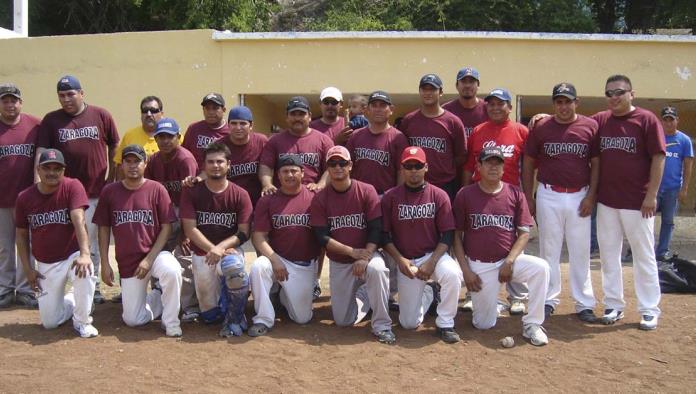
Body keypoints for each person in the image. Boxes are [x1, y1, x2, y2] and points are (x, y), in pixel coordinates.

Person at [453, 146, 550, 346]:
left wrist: (510, 260)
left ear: (504, 168)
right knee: (483, 324)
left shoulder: (515, 193)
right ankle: (493, 304)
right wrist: (466, 270)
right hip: (480, 265)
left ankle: (532, 324)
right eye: (488, 162)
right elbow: (456, 235)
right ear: (478, 166)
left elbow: (524, 233)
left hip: (508, 261)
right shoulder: (465, 194)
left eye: (498, 163)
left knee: (541, 268)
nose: (493, 167)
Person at [37, 75, 120, 305]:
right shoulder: (52, 120)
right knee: (66, 242)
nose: (66, 99)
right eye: (62, 95)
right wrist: (39, 184)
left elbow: (115, 145)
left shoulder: (101, 115)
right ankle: (63, 289)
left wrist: (111, 178)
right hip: (61, 195)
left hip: (94, 191)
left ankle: (91, 290)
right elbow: (42, 151)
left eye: (71, 94)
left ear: (82, 93)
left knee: (90, 243)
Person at [522, 83, 599, 322]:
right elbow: (528, 163)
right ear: (553, 104)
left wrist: (591, 196)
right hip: (548, 193)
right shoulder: (542, 126)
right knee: (549, 250)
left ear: (577, 102)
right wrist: (528, 196)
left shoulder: (590, 126)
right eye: (559, 101)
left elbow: (596, 163)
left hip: (579, 195)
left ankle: (584, 302)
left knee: (580, 250)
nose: (563, 106)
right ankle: (548, 299)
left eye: (568, 101)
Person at [594, 74, 665, 330]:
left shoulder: (646, 119)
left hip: (638, 202)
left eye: (619, 92)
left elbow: (658, 158)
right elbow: (575, 124)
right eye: (609, 93)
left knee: (644, 256)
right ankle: (614, 304)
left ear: (631, 93)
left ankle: (648, 309)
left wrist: (651, 195)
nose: (614, 97)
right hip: (607, 202)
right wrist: (543, 118)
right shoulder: (602, 120)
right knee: (608, 256)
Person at [94, 144, 183, 337]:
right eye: (128, 161)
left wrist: (150, 259)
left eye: (137, 161)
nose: (133, 166)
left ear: (145, 163)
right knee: (133, 320)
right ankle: (158, 297)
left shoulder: (156, 189)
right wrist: (104, 263)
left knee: (172, 270)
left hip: (156, 255)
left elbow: (167, 227)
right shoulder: (110, 192)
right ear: (122, 165)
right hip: (129, 262)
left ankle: (171, 322)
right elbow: (103, 227)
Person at [310, 146, 395, 344]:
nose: (338, 167)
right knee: (343, 321)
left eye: (342, 163)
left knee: (378, 269)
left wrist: (365, 256)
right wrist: (352, 252)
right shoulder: (321, 198)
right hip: (341, 261)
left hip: (368, 254)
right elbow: (321, 236)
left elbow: (376, 228)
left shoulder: (366, 190)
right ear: (327, 168)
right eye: (333, 163)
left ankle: (382, 324)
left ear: (350, 166)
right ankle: (368, 293)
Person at [381, 146, 463, 343]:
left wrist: (432, 262)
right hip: (406, 260)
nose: (413, 170)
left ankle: (445, 323)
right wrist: (399, 260)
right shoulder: (391, 197)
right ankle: (429, 292)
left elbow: (448, 233)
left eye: (417, 166)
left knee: (453, 274)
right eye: (408, 166)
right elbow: (383, 234)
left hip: (432, 254)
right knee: (408, 323)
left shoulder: (438, 195)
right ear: (402, 169)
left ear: (426, 167)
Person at [15, 149, 98, 337]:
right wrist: (28, 269)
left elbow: (79, 220)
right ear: (38, 169)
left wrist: (85, 254)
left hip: (72, 254)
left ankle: (82, 321)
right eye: (47, 168)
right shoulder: (25, 198)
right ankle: (72, 301)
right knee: (50, 323)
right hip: (46, 262)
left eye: (57, 168)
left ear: (64, 170)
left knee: (85, 270)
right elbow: (21, 235)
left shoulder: (72, 186)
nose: (52, 172)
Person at [463, 87, 530, 315]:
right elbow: (469, 166)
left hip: (510, 196)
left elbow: (528, 166)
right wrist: (465, 192)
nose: (495, 108)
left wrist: (527, 197)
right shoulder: (478, 131)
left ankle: (517, 296)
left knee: (512, 243)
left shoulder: (521, 131)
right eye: (490, 104)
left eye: (500, 103)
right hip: (479, 194)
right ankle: (473, 293)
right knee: (476, 241)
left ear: (510, 107)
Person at [259, 96, 334, 298]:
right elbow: (266, 165)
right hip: (283, 196)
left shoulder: (322, 139)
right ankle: (275, 282)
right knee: (280, 234)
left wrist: (320, 184)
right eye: (293, 114)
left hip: (314, 197)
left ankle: (315, 280)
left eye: (301, 114)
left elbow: (331, 167)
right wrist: (267, 184)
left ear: (309, 116)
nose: (297, 118)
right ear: (287, 117)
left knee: (316, 239)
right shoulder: (276, 141)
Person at [180, 143, 253, 337]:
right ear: (203, 166)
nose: (216, 165)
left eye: (220, 161)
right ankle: (220, 308)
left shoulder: (240, 194)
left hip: (229, 251)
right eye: (210, 162)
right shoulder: (192, 191)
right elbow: (190, 228)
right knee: (210, 316)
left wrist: (220, 248)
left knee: (233, 268)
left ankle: (236, 316)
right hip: (202, 254)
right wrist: (213, 249)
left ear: (229, 164)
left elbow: (244, 232)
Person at [248, 156, 321, 337]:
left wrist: (316, 274)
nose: (290, 175)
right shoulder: (268, 199)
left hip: (303, 263)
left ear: (303, 173)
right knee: (259, 267)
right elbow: (258, 236)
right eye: (285, 171)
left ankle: (282, 295)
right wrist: (275, 260)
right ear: (277, 175)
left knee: (302, 318)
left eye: (294, 170)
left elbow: (322, 239)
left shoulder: (314, 197)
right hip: (277, 260)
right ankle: (263, 319)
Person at [144, 118, 200, 322]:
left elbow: (189, 197)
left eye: (170, 136)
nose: (165, 141)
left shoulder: (185, 159)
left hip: (183, 210)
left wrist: (185, 233)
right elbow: (148, 191)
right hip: (162, 212)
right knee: (159, 256)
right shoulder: (154, 160)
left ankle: (189, 306)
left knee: (184, 257)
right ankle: (161, 303)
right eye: (161, 137)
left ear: (179, 137)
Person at [0, 83, 40, 308]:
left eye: (13, 100)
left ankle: (26, 288)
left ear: (20, 103)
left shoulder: (34, 125)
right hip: (1, 199)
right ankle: (5, 289)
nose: (9, 104)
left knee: (27, 244)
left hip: (27, 198)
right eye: (5, 100)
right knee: (4, 246)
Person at [399, 74, 467, 200]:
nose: (428, 93)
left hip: (445, 184)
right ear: (419, 91)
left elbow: (461, 156)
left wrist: (444, 166)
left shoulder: (453, 121)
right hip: (415, 184)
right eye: (425, 89)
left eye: (432, 89)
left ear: (440, 92)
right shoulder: (409, 120)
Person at [345, 91, 408, 195]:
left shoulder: (398, 138)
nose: (378, 109)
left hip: (385, 196)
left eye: (383, 105)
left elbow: (401, 172)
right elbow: (347, 168)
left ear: (391, 110)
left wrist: (398, 197)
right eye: (374, 105)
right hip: (358, 195)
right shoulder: (356, 136)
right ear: (368, 110)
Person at [655, 106, 693, 260]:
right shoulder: (655, 137)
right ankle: (638, 250)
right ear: (661, 121)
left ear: (677, 120)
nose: (668, 123)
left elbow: (688, 166)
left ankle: (662, 252)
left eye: (671, 119)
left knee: (668, 221)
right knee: (644, 221)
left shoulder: (684, 140)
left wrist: (684, 189)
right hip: (654, 188)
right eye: (665, 120)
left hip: (672, 189)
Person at [114, 96, 181, 177]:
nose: (149, 114)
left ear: (162, 114)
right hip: (137, 187)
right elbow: (120, 166)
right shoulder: (130, 135)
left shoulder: (175, 137)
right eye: (145, 111)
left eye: (153, 110)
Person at [213, 105, 268, 206]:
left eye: (243, 123)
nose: (238, 128)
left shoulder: (261, 141)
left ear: (251, 125)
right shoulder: (218, 145)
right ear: (228, 125)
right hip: (229, 203)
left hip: (257, 201)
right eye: (234, 123)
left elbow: (270, 167)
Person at [182, 93, 230, 170]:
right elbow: (184, 155)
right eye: (207, 108)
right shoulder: (194, 129)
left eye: (215, 108)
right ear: (203, 110)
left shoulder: (230, 131)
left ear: (224, 110)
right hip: (196, 178)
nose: (211, 112)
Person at [442, 67, 488, 138]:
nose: (467, 85)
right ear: (457, 85)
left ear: (478, 85)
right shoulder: (446, 110)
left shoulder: (488, 109)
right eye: (463, 82)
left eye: (471, 82)